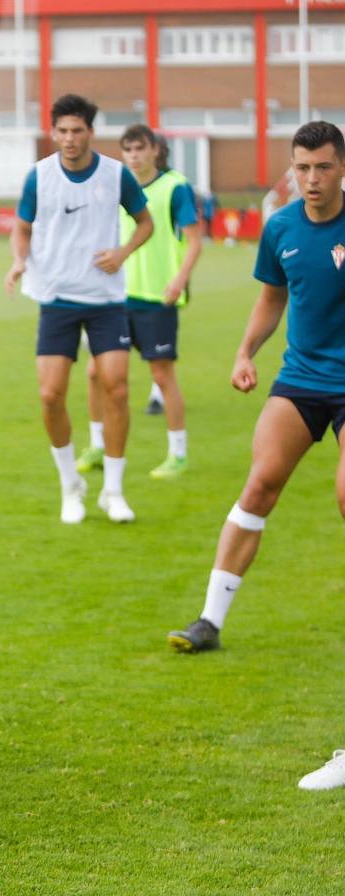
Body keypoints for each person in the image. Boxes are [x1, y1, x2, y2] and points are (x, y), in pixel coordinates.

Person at [168, 121, 345, 656]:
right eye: (302, 167)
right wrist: (245, 352)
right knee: (259, 486)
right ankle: (209, 621)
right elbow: (272, 298)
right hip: (301, 378)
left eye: (323, 167)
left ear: (341, 168)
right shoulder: (281, 227)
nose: (311, 179)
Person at [5, 94, 153, 525]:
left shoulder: (115, 175)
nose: (69, 139)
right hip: (56, 299)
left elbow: (146, 223)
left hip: (106, 300)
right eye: (62, 131)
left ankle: (114, 490)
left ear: (90, 132)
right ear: (54, 133)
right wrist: (19, 260)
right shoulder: (39, 177)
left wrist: (123, 252)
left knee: (118, 388)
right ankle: (71, 485)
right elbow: (22, 227)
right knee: (50, 395)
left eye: (77, 131)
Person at [77, 124, 202, 480]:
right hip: (116, 297)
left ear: (154, 150)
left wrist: (180, 279)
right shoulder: (117, 186)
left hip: (157, 296)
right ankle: (98, 445)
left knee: (162, 375)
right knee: (94, 373)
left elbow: (194, 240)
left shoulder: (174, 187)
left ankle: (178, 453)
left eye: (140, 148)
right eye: (127, 149)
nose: (134, 155)